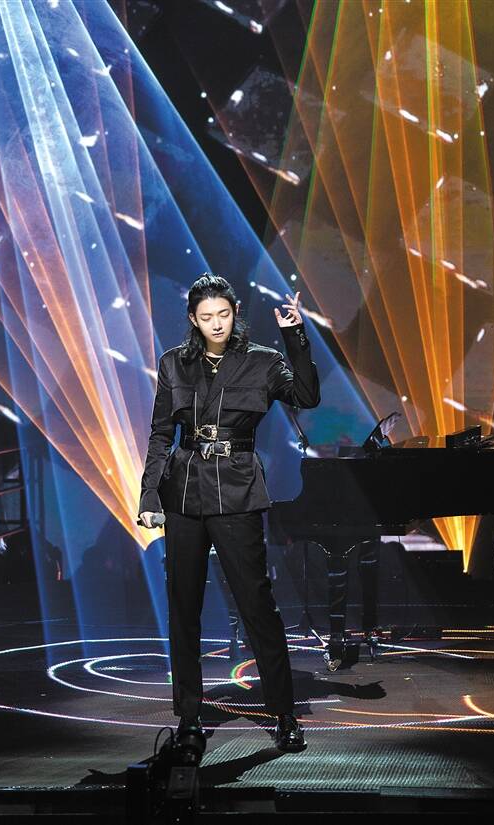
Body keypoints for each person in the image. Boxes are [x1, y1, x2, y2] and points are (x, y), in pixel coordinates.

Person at [138, 274, 320, 752]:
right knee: (184, 607)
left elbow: (307, 396)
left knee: (256, 604)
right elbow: (161, 434)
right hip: (183, 493)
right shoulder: (174, 363)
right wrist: (149, 496)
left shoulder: (262, 360)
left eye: (223, 314)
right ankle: (189, 717)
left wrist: (295, 335)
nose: (216, 324)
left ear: (235, 313)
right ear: (193, 320)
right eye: (206, 317)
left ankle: (284, 712)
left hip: (237, 492)